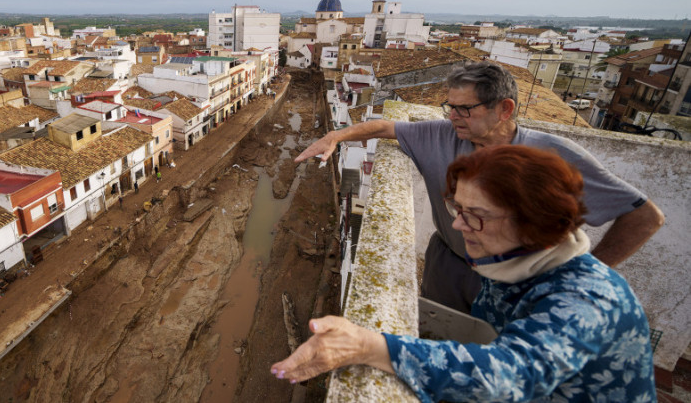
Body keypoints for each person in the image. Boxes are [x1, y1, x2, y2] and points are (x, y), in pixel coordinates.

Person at [272, 145, 656, 401]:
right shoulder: (510, 258)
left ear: (534, 222)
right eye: (458, 208)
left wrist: (369, 346)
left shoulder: (587, 300)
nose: (458, 226)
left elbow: (507, 377)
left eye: (476, 215)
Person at [296, 61, 664, 312]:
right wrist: (335, 136)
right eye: (449, 106)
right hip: (449, 267)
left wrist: (588, 274)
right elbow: (383, 128)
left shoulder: (552, 155)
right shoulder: (440, 135)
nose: (452, 116)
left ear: (504, 109)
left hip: (521, 284)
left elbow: (644, 216)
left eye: (464, 109)